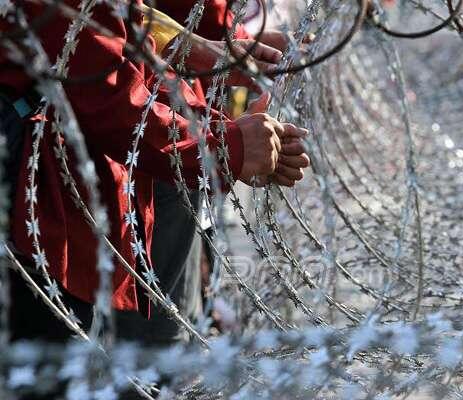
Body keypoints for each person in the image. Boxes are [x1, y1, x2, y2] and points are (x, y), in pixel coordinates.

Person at [0, 0, 308, 345]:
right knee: (83, 360)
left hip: (89, 185)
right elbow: (104, 87)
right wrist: (223, 148)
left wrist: (227, 140)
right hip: (43, 198)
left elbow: (129, 52)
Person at [113, 2, 309, 342]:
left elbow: (131, 20)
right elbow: (101, 73)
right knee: (148, 346)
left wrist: (228, 141)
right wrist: (226, 145)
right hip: (137, 160)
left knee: (170, 329)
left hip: (171, 137)